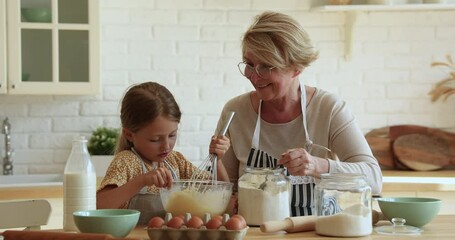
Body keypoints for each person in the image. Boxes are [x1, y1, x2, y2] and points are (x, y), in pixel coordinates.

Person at [214, 11, 383, 217]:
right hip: (255, 232)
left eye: (266, 66)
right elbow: (224, 188)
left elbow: (374, 179)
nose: (254, 76)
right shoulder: (235, 112)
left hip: (317, 231)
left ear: (296, 68)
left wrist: (316, 165)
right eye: (249, 64)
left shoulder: (329, 108)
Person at [97, 82, 230, 224]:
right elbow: (98, 205)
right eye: (155, 139)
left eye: (172, 135)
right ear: (129, 134)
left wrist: (218, 160)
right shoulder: (126, 162)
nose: (166, 146)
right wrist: (141, 180)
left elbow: (220, 193)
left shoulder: (176, 161)